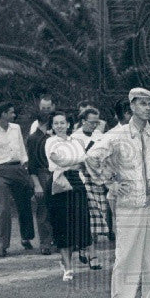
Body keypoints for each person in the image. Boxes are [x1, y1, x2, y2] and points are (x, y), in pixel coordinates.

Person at [86, 88, 150, 298]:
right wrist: (110, 181)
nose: (147, 108)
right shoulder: (116, 136)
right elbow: (92, 157)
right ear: (132, 106)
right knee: (126, 256)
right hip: (129, 205)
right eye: (143, 104)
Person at [46, 111, 96, 281]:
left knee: (80, 222)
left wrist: (76, 163)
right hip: (59, 184)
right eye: (56, 123)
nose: (59, 126)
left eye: (62, 123)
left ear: (68, 124)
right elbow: (57, 160)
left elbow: (85, 162)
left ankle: (82, 254)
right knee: (62, 226)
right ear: (52, 126)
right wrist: (75, 162)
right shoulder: (50, 141)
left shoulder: (77, 141)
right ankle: (67, 267)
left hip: (77, 183)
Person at [0, 102, 36, 256]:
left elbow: (21, 149)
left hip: (18, 169)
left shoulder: (16, 128)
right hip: (0, 171)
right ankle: (3, 245)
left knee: (24, 205)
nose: (14, 115)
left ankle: (26, 238)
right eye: (11, 112)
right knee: (4, 209)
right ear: (3, 114)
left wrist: (25, 165)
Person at [71, 106, 111, 252]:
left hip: (99, 176)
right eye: (91, 122)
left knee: (100, 209)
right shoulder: (75, 137)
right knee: (89, 209)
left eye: (96, 122)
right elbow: (77, 159)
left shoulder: (100, 135)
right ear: (83, 121)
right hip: (83, 176)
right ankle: (86, 244)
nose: (94, 125)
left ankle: (91, 241)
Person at [26, 117, 56, 256]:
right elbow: (31, 164)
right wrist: (37, 184)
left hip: (57, 172)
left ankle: (59, 240)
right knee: (43, 209)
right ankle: (45, 243)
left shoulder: (57, 137)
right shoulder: (33, 139)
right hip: (42, 173)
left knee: (58, 209)